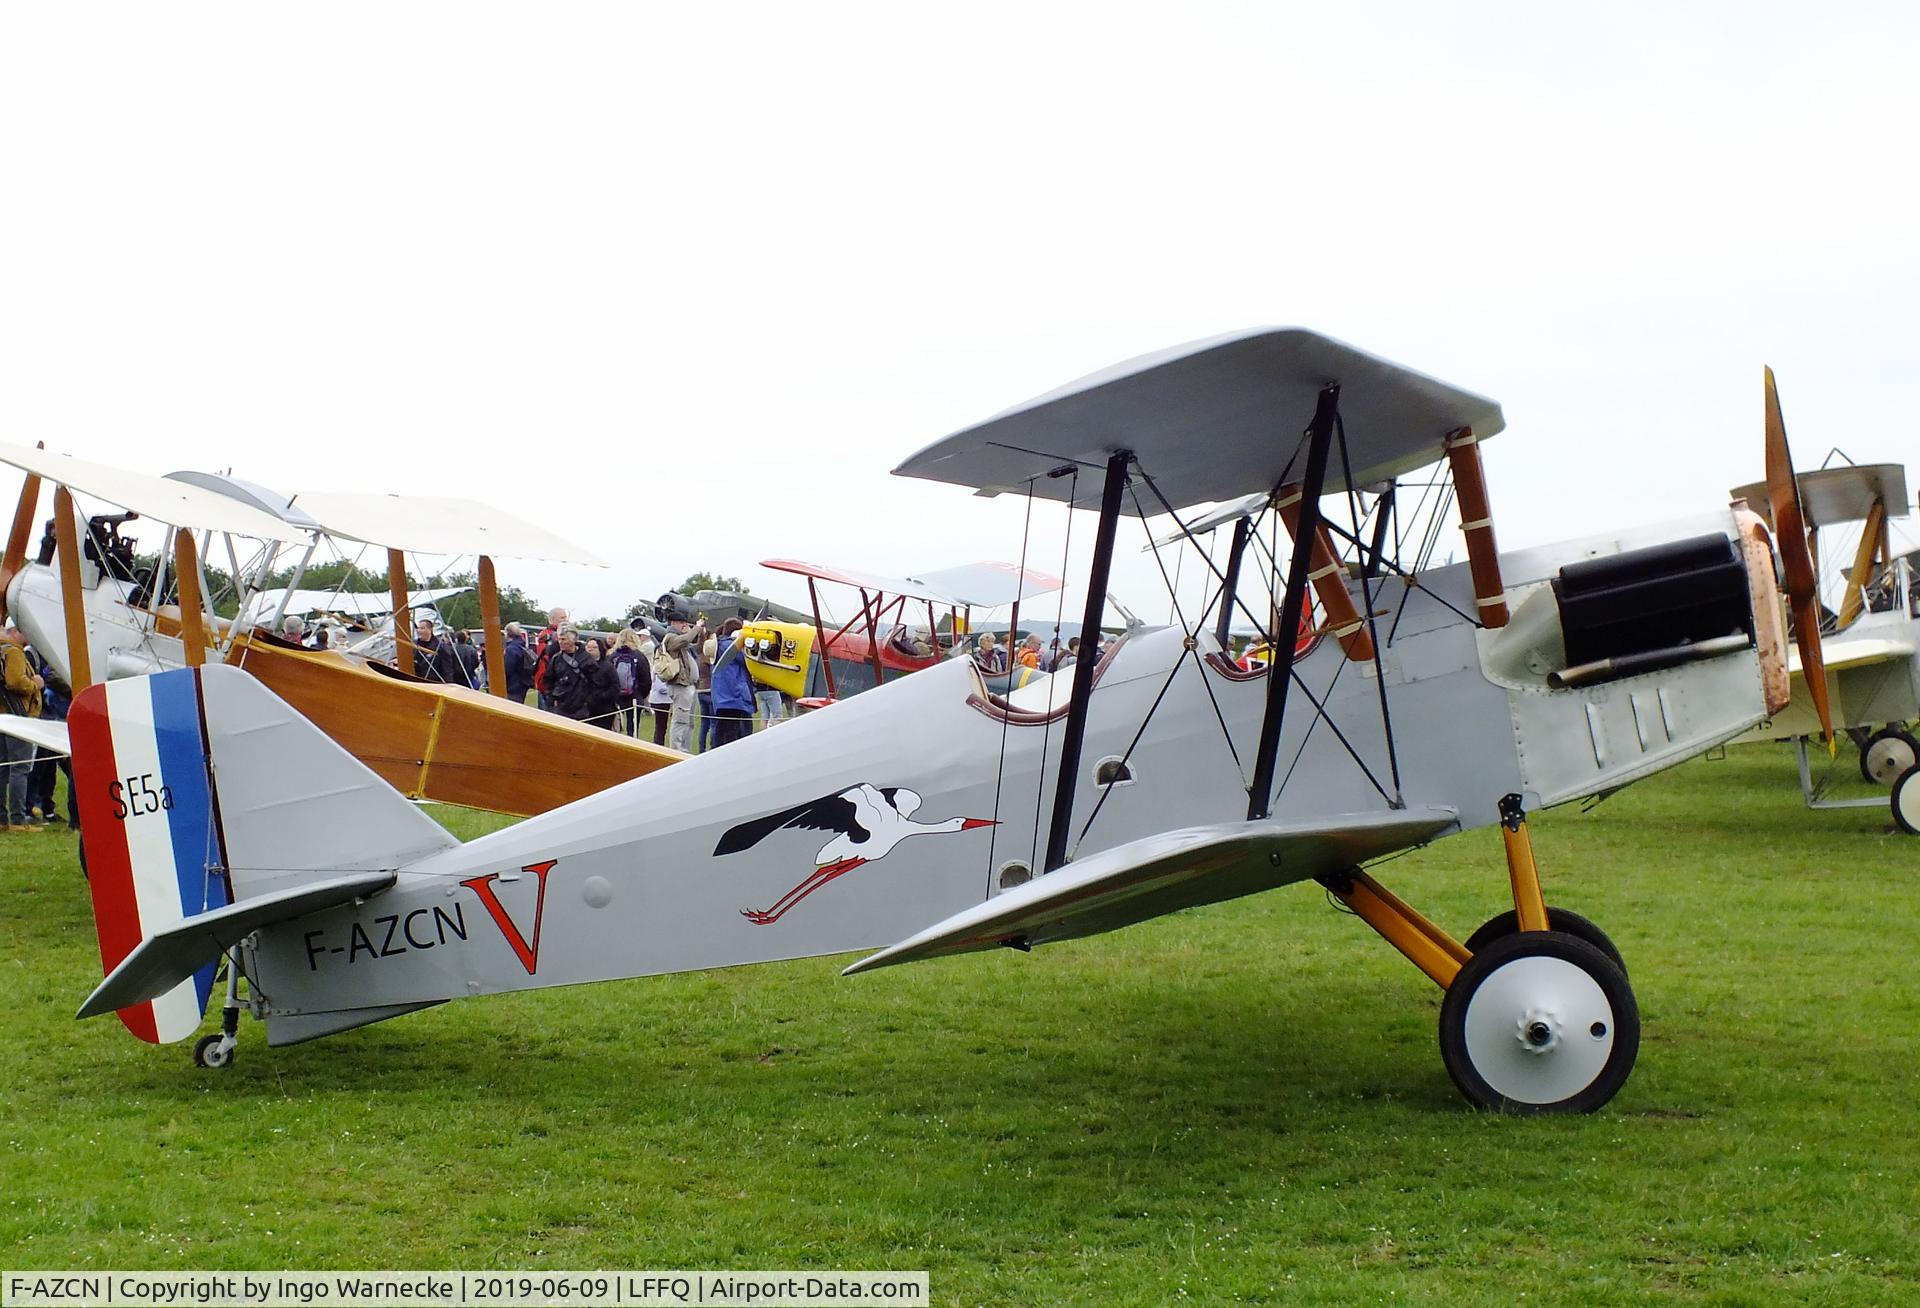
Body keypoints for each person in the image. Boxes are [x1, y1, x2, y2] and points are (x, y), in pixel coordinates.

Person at [1, 624, 47, 833]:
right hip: (18, 717)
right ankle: (18, 819)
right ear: (15, 632)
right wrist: (35, 684)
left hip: (4, 717)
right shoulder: (14, 652)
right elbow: (15, 681)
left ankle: (2, 819)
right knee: (20, 768)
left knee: (3, 769)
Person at [657, 599, 707, 753]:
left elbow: (697, 648)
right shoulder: (671, 638)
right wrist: (696, 629)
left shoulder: (680, 640)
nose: (684, 626)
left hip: (688, 685)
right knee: (680, 720)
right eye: (682, 623)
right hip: (679, 685)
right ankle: (676, 750)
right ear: (673, 623)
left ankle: (684, 749)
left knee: (688, 721)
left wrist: (701, 634)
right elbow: (685, 640)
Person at [708, 618, 756, 746]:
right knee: (731, 733)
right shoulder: (732, 647)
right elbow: (748, 661)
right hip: (734, 695)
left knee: (720, 730)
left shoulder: (718, 646)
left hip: (720, 697)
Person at [544, 625, 590, 720]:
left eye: (564, 639)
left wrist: (589, 701)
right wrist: (552, 699)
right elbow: (548, 680)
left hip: (582, 708)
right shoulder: (556, 659)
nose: (560, 642)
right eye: (559, 639)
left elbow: (595, 681)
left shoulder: (587, 659)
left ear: (573, 640)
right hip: (561, 707)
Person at [610, 627, 650, 735]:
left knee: (616, 726)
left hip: (616, 698)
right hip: (635, 696)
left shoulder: (612, 656)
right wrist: (642, 694)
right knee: (633, 727)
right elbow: (646, 679)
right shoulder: (639, 656)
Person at [577, 635, 621, 728]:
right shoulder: (579, 664)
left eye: (594, 647)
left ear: (600, 649)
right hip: (583, 709)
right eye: (588, 647)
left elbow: (615, 687)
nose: (590, 649)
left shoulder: (608, 667)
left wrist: (601, 696)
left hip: (603, 710)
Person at [533, 606, 568, 711]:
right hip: (548, 684)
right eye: (562, 618)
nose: (566, 620)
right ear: (552, 619)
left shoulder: (550, 635)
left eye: (566, 617)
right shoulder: (547, 636)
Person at [642, 630, 674, 746]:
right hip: (661, 700)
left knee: (662, 727)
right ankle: (658, 745)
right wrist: (672, 689)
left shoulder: (658, 666)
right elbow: (660, 686)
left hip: (660, 699)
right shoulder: (660, 667)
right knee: (661, 727)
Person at [696, 628, 719, 753]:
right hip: (709, 690)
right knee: (713, 722)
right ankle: (713, 748)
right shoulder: (709, 658)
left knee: (704, 724)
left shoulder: (699, 656)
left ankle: (701, 749)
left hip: (700, 690)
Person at [503, 621, 537, 704]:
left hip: (512, 686)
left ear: (507, 634)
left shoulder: (511, 649)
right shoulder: (522, 646)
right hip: (522, 684)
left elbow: (507, 669)